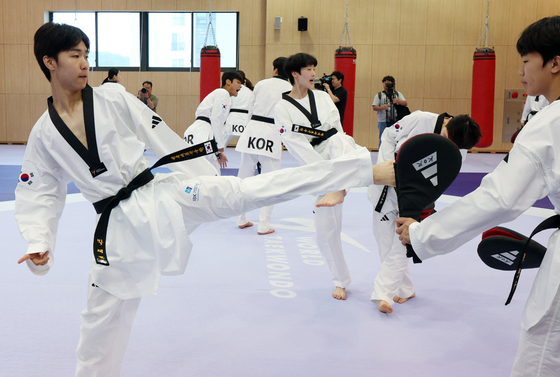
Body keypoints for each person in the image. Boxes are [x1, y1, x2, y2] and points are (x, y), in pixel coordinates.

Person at [18, 22, 396, 377]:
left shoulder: (111, 97)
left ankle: (363, 171)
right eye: (74, 55)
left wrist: (203, 174)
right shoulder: (43, 134)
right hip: (117, 228)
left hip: (161, 194)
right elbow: (39, 192)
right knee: (98, 321)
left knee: (249, 190)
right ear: (49, 61)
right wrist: (38, 240)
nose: (85, 63)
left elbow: (160, 135)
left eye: (86, 53)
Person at [396, 16, 560, 377]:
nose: (520, 73)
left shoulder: (549, 124)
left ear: (555, 62)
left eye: (526, 61)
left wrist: (424, 232)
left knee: (543, 351)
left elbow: (500, 198)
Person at [368, 111, 481, 313]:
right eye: (447, 138)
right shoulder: (419, 119)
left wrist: (425, 202)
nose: (449, 144)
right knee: (383, 239)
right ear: (448, 123)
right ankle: (406, 289)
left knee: (401, 239)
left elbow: (439, 180)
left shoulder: (457, 151)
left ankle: (383, 294)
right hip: (387, 182)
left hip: (416, 195)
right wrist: (389, 169)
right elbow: (388, 135)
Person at [274, 52, 363, 301]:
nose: (314, 74)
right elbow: (294, 143)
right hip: (315, 162)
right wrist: (326, 174)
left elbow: (337, 129)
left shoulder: (323, 97)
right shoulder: (281, 108)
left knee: (342, 141)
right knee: (326, 231)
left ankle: (340, 185)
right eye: (308, 69)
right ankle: (340, 281)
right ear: (294, 73)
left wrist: (338, 169)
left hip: (337, 152)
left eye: (315, 68)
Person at [235, 57, 292, 234]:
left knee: (243, 176)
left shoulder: (260, 84)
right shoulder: (291, 88)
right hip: (272, 131)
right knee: (271, 179)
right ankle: (263, 225)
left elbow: (250, 107)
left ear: (275, 70)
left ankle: (240, 218)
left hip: (252, 128)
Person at [183, 71, 243, 172]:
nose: (240, 86)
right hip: (203, 133)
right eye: (238, 82)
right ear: (228, 82)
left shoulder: (220, 94)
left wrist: (217, 153)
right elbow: (216, 119)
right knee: (209, 172)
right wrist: (220, 146)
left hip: (197, 131)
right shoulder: (223, 93)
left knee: (197, 170)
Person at [372, 76, 407, 146]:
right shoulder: (379, 95)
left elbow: (405, 103)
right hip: (383, 120)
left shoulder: (397, 94)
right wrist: (383, 108)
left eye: (389, 83)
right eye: (385, 83)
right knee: (382, 137)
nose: (386, 85)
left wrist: (398, 101)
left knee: (396, 137)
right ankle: (381, 154)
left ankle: (394, 154)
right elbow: (374, 107)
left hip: (396, 120)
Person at [224, 70, 254, 145]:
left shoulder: (232, 90)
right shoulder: (250, 92)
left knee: (221, 142)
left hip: (232, 118)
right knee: (246, 146)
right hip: (245, 119)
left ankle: (215, 155)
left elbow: (227, 105)